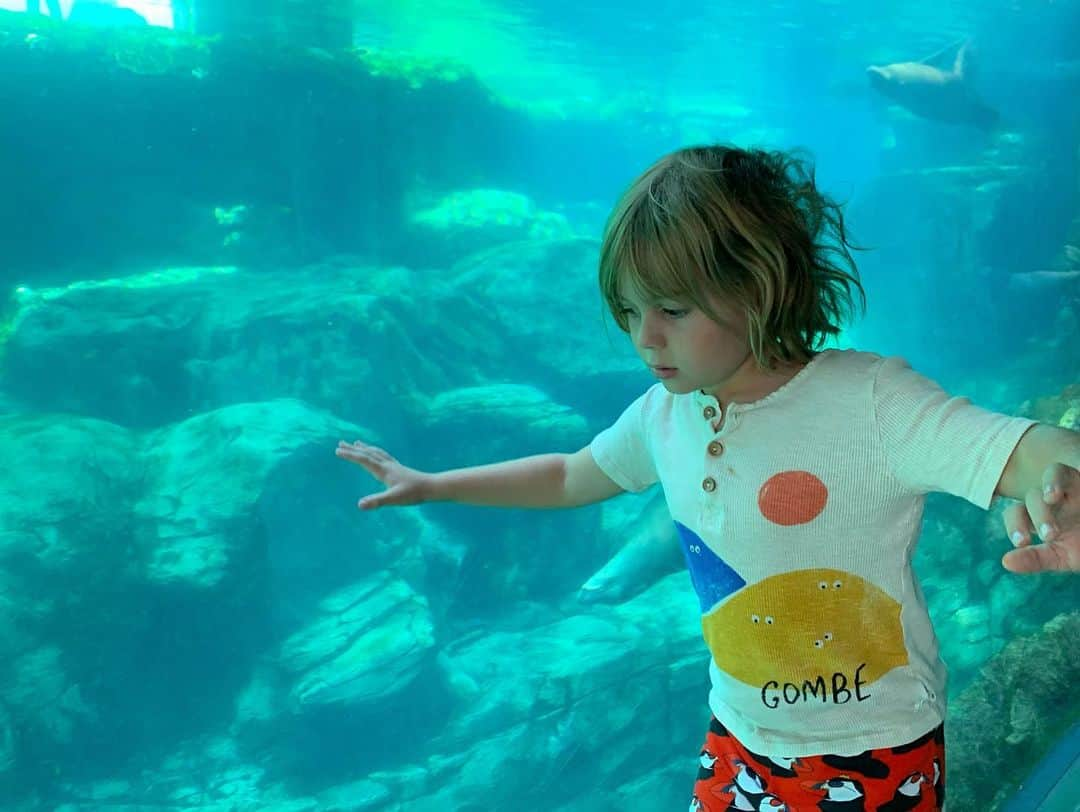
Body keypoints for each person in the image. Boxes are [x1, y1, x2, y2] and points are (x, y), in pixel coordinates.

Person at [335, 145, 1080, 811]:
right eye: (628, 310)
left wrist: (1063, 481)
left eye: (671, 308)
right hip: (738, 735)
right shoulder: (666, 411)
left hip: (874, 749)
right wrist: (433, 483)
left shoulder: (872, 401)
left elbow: (1020, 450)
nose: (642, 336)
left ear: (760, 285)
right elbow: (569, 475)